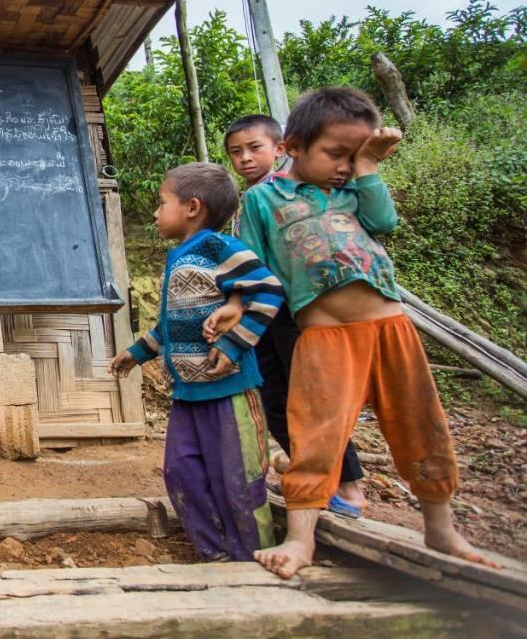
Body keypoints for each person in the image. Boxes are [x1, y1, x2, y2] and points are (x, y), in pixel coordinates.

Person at [237, 86, 499, 578]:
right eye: (336, 153)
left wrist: (369, 167)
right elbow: (256, 267)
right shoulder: (263, 198)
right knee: (313, 434)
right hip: (324, 335)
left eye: (352, 156)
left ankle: (440, 526)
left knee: (420, 422)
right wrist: (239, 309)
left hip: (390, 327)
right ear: (293, 147)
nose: (344, 165)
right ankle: (300, 540)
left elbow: (385, 221)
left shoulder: (355, 190)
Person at [110, 162, 285, 562]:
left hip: (231, 392)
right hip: (188, 395)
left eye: (161, 203)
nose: (155, 213)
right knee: (181, 472)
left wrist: (234, 346)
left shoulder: (219, 248)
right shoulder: (179, 257)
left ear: (192, 207)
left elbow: (269, 291)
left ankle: (251, 557)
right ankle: (214, 554)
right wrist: (136, 354)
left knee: (239, 479)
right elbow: (171, 326)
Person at [218, 114, 368, 519]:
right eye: (236, 152)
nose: (245, 158)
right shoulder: (254, 196)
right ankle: (321, 481)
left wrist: (236, 301)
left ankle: (347, 487)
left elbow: (255, 261)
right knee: (276, 399)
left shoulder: (282, 194)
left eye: (255, 148)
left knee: (308, 401)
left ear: (280, 149)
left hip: (287, 312)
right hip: (265, 313)